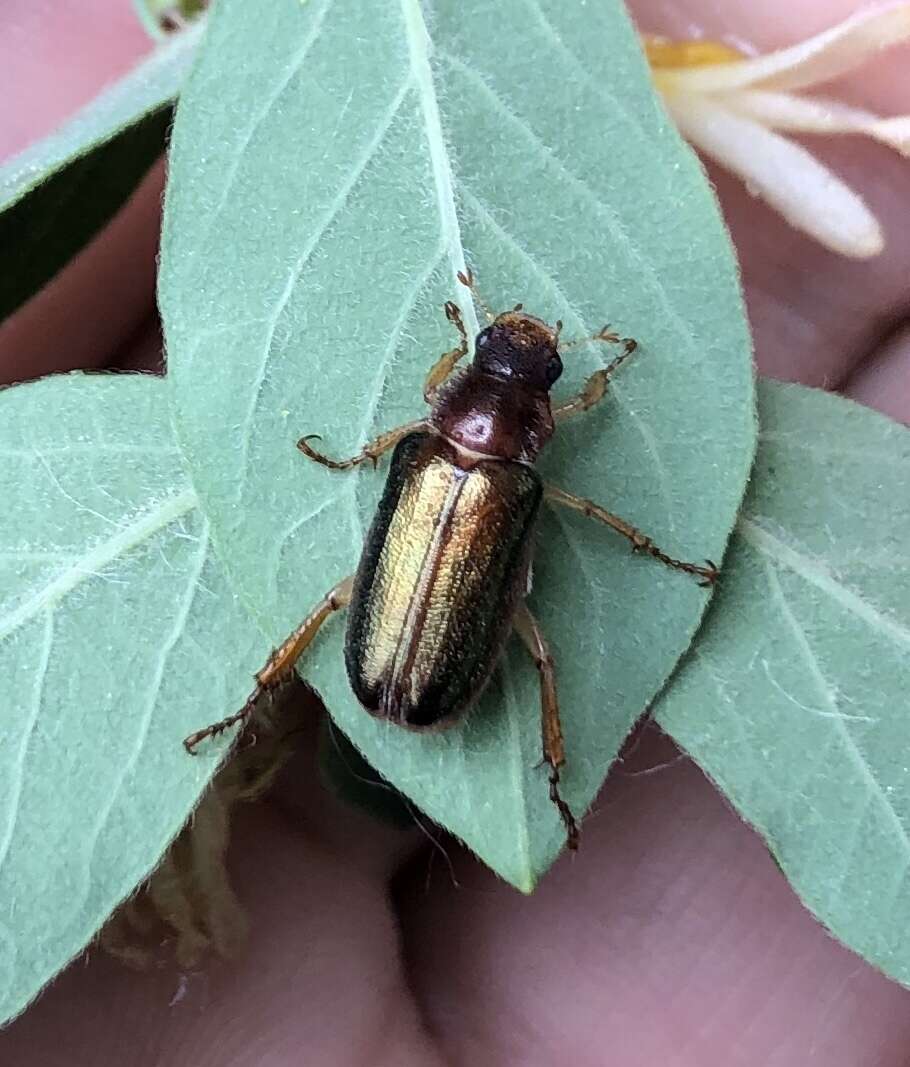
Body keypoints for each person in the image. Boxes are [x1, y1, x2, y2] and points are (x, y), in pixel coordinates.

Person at [2, 1, 908, 1062]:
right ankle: (530, 759)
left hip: (411, 654)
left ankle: (274, 696)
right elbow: (573, 481)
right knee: (533, 644)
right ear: (513, 406)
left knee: (453, 621)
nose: (517, 361)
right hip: (427, 663)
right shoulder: (513, 466)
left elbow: (454, 421)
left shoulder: (433, 444)